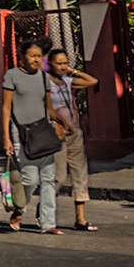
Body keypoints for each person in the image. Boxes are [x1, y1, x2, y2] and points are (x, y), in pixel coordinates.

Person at [1, 39, 61, 233]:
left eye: (39, 56)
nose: (37, 60)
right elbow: (6, 107)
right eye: (32, 56)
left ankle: (48, 223)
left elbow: (49, 107)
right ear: (23, 57)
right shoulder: (12, 76)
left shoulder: (44, 78)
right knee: (30, 179)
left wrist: (61, 124)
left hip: (43, 132)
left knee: (48, 179)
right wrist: (6, 137)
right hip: (21, 133)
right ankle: (19, 208)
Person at [47, 48, 100, 231]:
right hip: (56, 135)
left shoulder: (68, 82)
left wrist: (73, 71)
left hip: (75, 133)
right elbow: (45, 108)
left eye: (64, 63)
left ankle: (81, 219)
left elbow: (92, 81)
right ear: (50, 64)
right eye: (58, 63)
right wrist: (59, 123)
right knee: (58, 177)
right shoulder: (45, 83)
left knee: (80, 175)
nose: (62, 67)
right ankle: (46, 214)